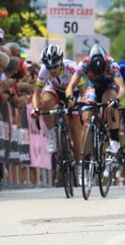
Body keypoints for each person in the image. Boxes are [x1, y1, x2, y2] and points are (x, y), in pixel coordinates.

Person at [31, 45, 85, 174]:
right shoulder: (44, 70)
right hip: (54, 90)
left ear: (61, 61)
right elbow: (36, 94)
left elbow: (83, 92)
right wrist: (35, 109)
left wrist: (79, 104)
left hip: (73, 92)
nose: (52, 70)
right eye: (49, 67)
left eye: (55, 66)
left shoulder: (72, 68)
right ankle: (52, 136)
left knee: (75, 132)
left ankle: (78, 166)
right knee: (45, 102)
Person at [66, 44, 125, 154]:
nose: (98, 75)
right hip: (93, 87)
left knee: (110, 103)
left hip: (109, 86)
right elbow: (70, 86)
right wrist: (70, 97)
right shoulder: (84, 64)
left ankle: (114, 139)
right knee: (87, 116)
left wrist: (117, 100)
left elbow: (121, 88)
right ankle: (86, 159)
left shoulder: (112, 64)